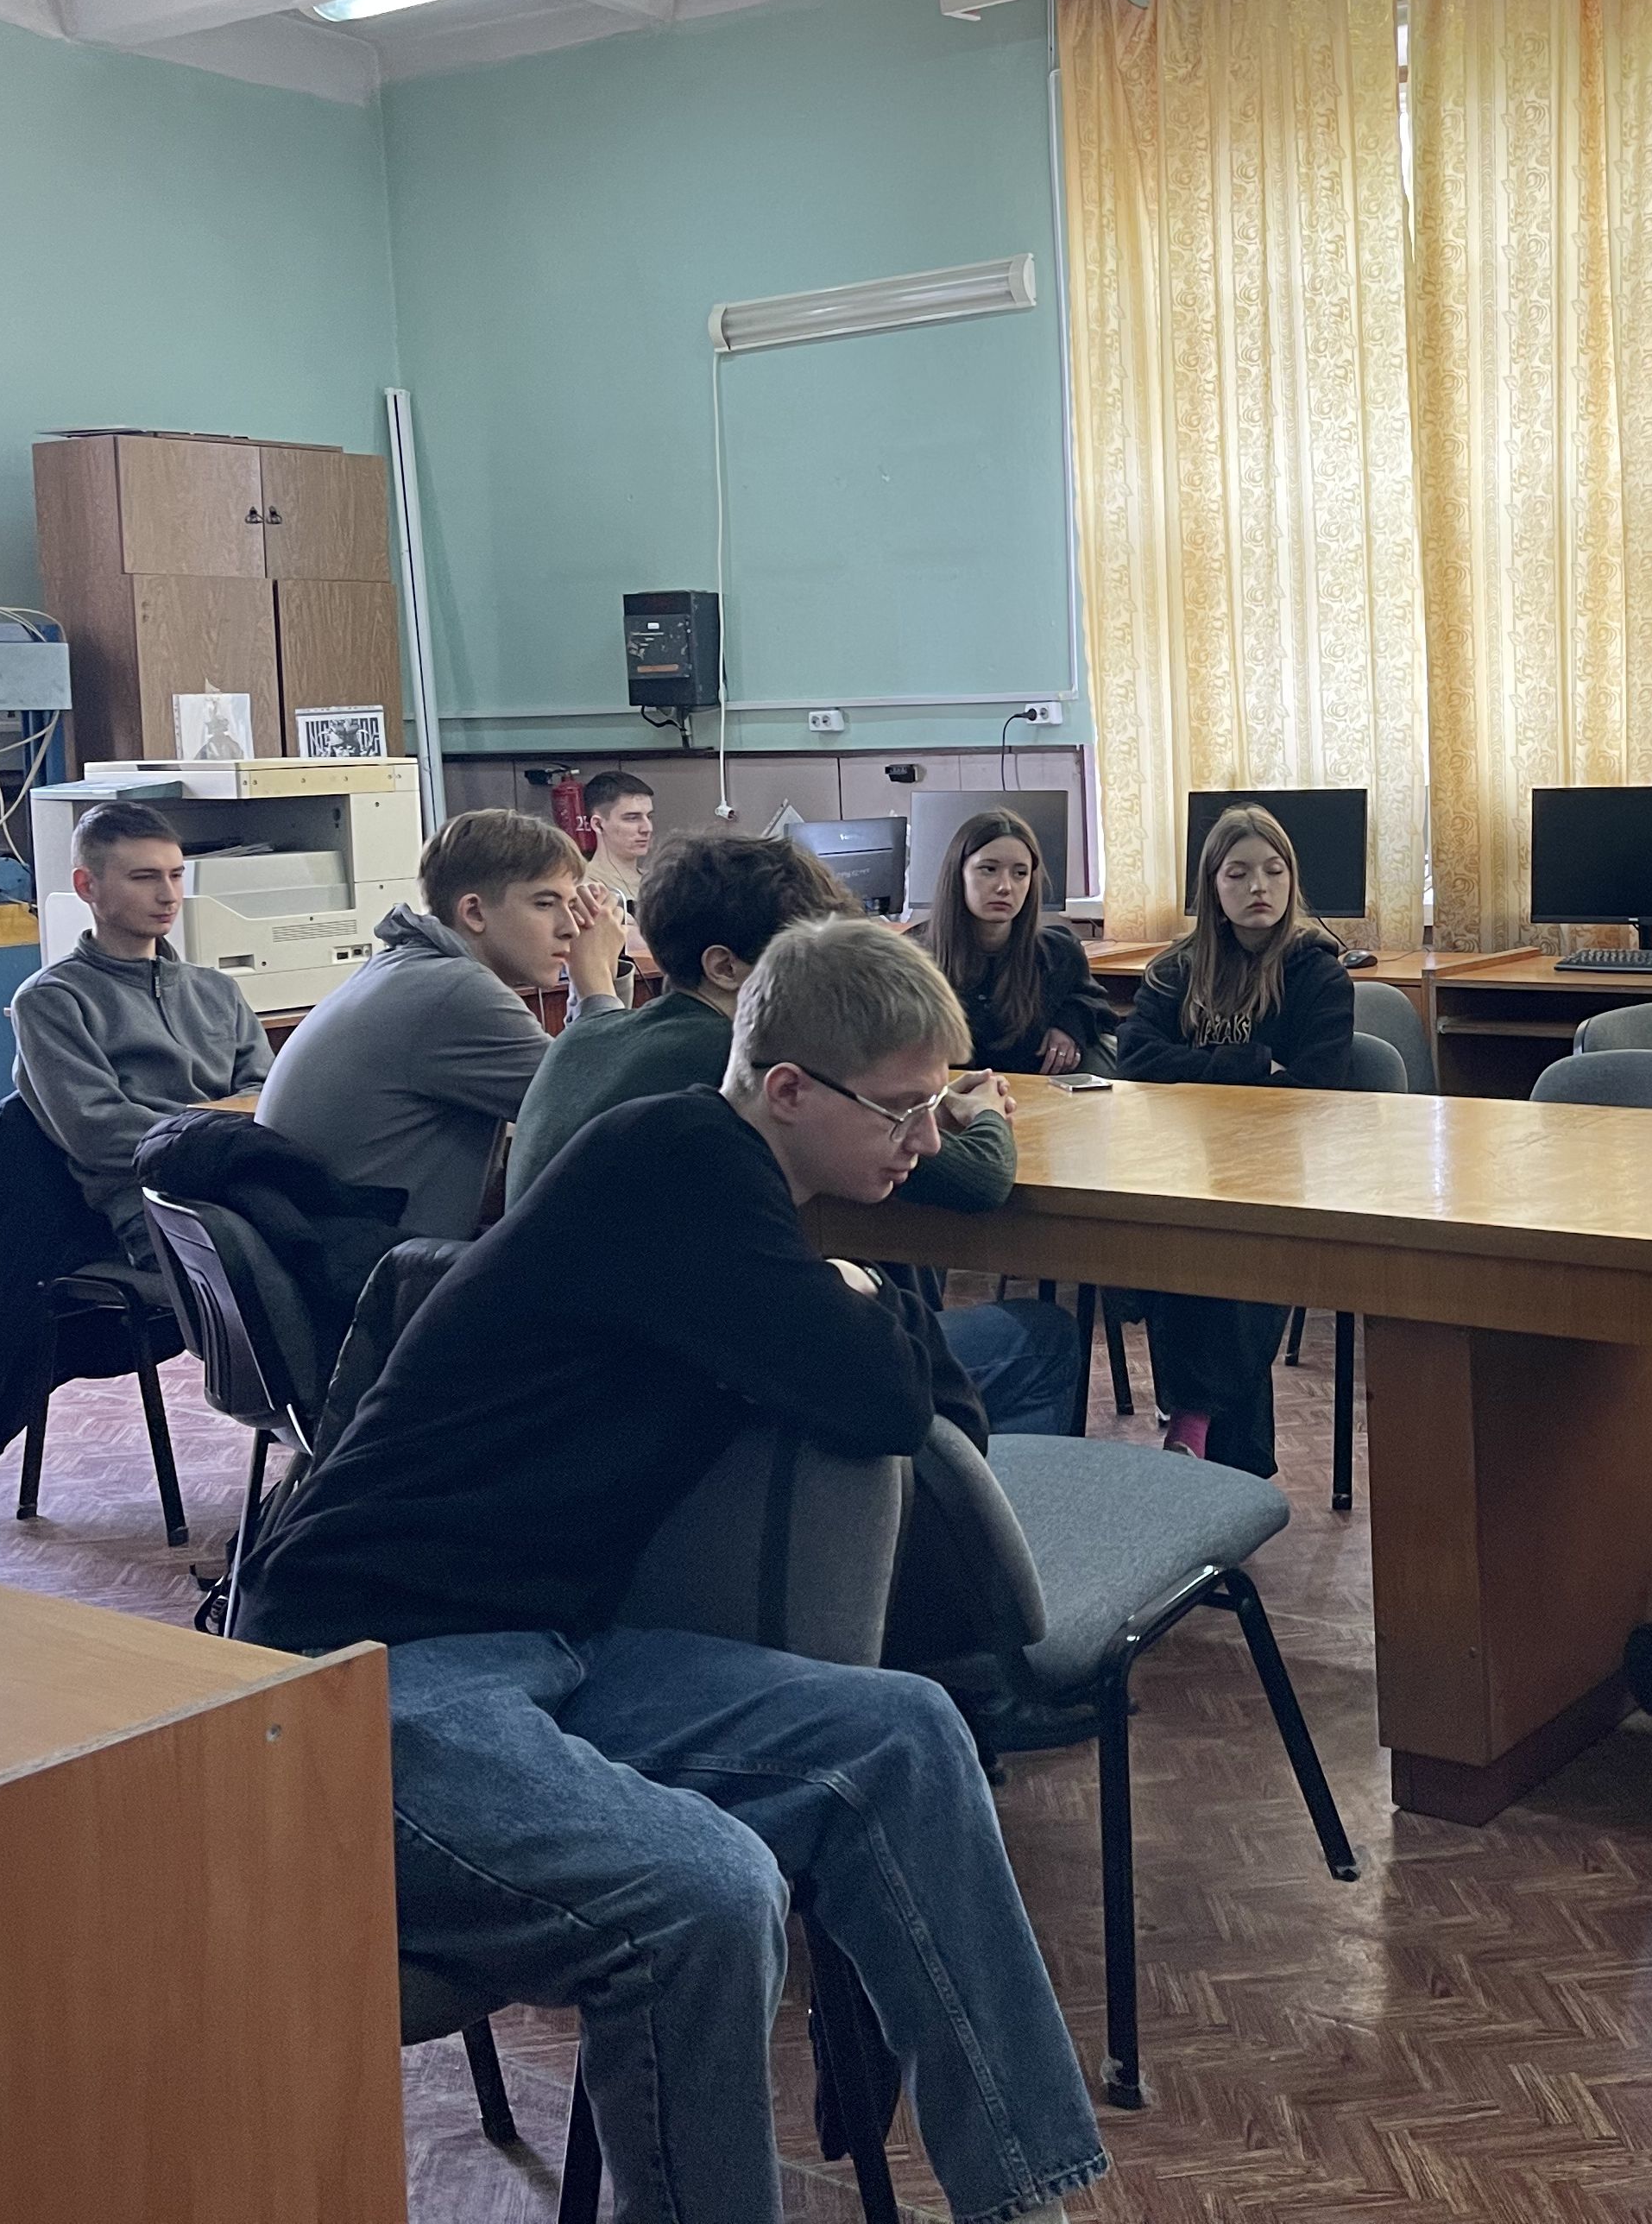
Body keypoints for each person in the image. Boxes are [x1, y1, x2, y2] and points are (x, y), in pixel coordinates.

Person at [230, 917, 1107, 2224]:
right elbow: (889, 1396)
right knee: (704, 1893)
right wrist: (867, 1298)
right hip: (366, 1672)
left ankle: (1028, 2199)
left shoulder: (735, 1193)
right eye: (904, 1110)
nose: (930, 1141)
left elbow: (923, 1396)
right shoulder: (676, 1162)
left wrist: (861, 1293)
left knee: (909, 1734)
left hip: (552, 1645)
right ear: (789, 1090)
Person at [511, 830, 1086, 1438]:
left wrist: (900, 1108)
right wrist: (984, 1115)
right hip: (640, 1410)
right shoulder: (739, 1072)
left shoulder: (586, 1038)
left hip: (582, 1392)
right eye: (810, 963)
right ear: (725, 968)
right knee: (1035, 1341)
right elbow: (976, 1184)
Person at [1113, 804, 1353, 1474]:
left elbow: (1313, 1084)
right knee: (1181, 1240)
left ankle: (1193, 1423)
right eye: (1239, 873)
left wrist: (1196, 1069)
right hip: (1185, 1164)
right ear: (1212, 886)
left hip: (1284, 1170)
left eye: (1274, 871)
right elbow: (1136, 1058)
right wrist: (1250, 1063)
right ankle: (1223, 1457)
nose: (1259, 887)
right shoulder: (1176, 970)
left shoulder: (1318, 974)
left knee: (1237, 1251)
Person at [259, 807, 621, 1240]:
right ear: (474, 912)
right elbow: (607, 1107)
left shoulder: (411, 967)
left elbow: (587, 1082)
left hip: (339, 1248)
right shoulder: (456, 992)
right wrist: (596, 978)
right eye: (545, 904)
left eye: (572, 904)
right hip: (379, 1267)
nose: (571, 928)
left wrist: (596, 980)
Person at [9, 800, 274, 1260]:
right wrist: (227, 1136)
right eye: (145, 877)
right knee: (273, 1268)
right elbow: (100, 1133)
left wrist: (226, 1139)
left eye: (176, 875)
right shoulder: (51, 1001)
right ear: (87, 885)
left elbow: (267, 1094)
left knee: (362, 1248)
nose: (169, 896)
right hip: (154, 1206)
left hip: (248, 1184)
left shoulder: (217, 990)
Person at [917, 808, 1108, 1077]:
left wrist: (1069, 1027)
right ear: (959, 873)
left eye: (1020, 873)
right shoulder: (913, 957)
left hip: (1036, 1097)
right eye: (989, 869)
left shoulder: (1059, 953)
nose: (1005, 886)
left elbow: (1093, 1003)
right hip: (946, 1097)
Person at [580, 769, 656, 989]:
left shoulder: (661, 882)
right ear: (598, 824)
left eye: (649, 817)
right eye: (632, 818)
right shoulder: (582, 886)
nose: (646, 828)